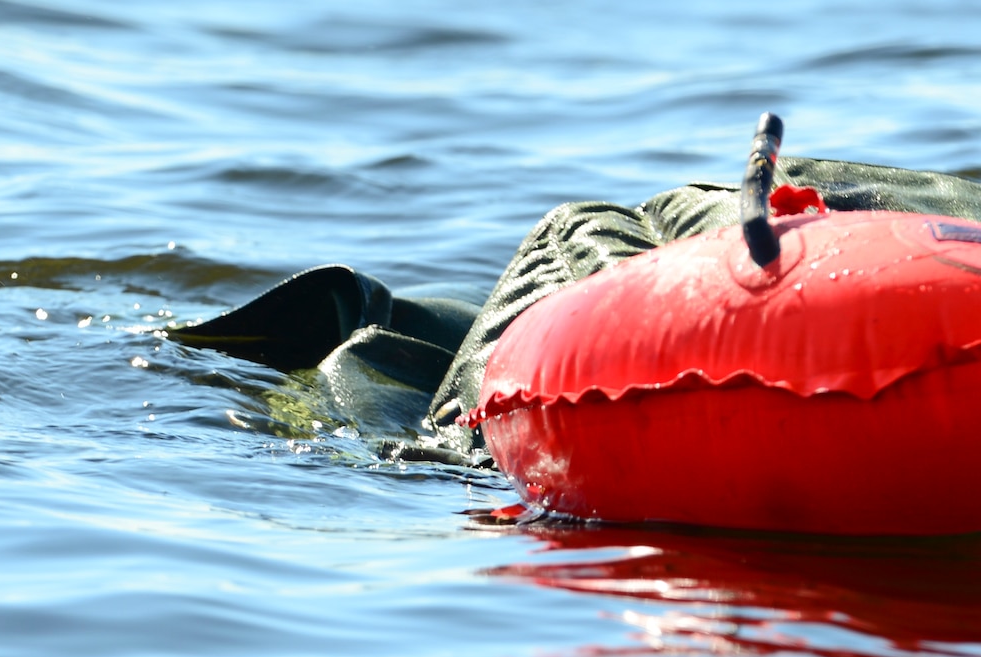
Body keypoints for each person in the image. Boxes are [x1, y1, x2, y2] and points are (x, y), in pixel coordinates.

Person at [173, 148, 981, 462]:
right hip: (818, 227)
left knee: (458, 435)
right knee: (590, 245)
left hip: (869, 233)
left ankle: (393, 346)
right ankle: (375, 340)